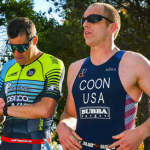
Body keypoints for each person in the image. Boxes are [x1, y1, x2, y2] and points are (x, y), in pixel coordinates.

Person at [57, 2, 150, 150]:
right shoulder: (75, 68)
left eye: (93, 19)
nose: (85, 24)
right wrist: (63, 126)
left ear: (112, 27)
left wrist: (141, 132)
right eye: (83, 20)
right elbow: (70, 113)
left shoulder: (134, 62)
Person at [0, 17, 65, 150]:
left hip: (36, 145)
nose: (17, 53)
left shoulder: (52, 63)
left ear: (34, 40)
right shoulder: (7, 67)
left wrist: (7, 110)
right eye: (12, 47)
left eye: (22, 47)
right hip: (6, 144)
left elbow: (46, 109)